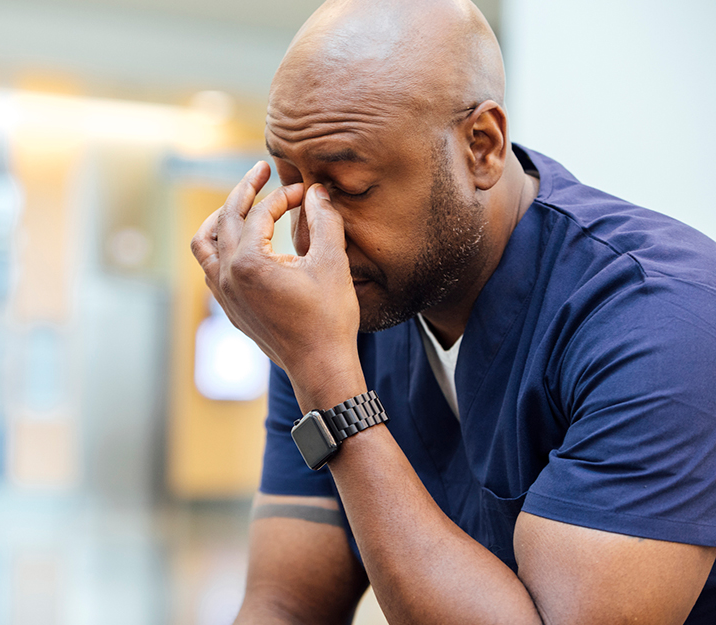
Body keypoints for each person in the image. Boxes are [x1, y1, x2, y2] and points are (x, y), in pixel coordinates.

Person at [190, 0, 716, 623]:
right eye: (293, 184)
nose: (312, 237)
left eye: (353, 189)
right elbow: (285, 604)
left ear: (482, 148)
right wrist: (315, 361)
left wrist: (328, 382)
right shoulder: (336, 309)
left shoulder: (661, 321)